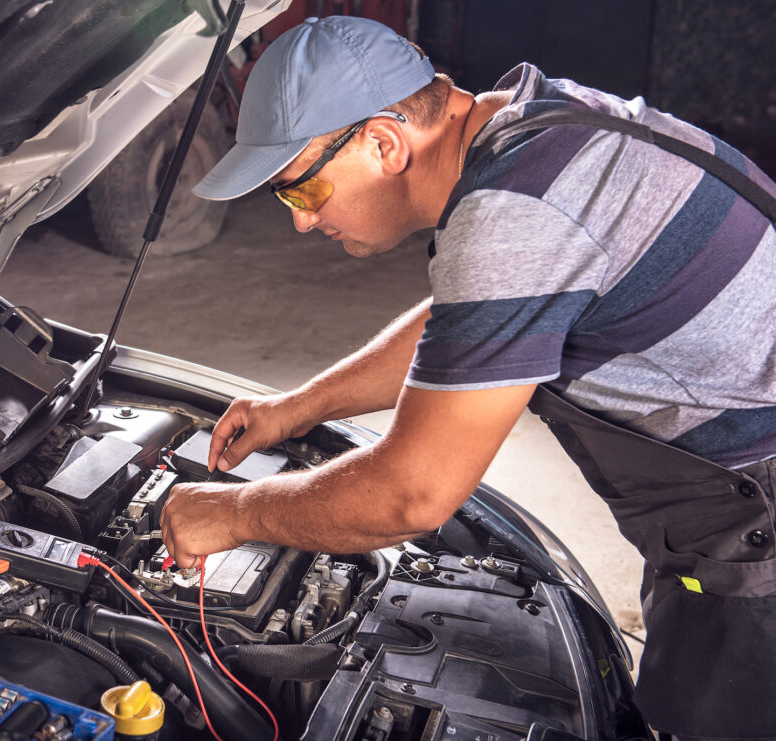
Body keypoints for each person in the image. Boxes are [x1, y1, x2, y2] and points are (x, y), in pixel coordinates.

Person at [158, 15, 776, 740]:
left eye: (301, 191)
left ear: (385, 142)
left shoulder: (513, 216)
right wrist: (298, 407)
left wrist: (233, 513)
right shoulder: (535, 122)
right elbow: (470, 322)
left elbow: (415, 491)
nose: (300, 222)